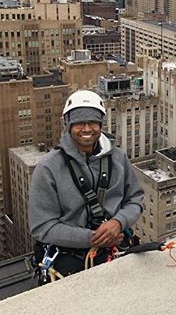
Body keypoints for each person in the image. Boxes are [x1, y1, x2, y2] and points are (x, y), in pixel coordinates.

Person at [29, 90, 144, 282]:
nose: (87, 128)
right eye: (79, 123)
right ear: (67, 124)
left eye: (93, 122)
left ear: (101, 124)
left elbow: (135, 199)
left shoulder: (118, 158)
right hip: (71, 262)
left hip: (116, 247)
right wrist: (93, 237)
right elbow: (42, 226)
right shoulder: (48, 168)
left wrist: (118, 222)